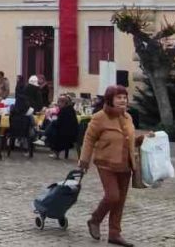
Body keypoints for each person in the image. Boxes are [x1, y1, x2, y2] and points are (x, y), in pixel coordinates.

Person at [78, 85, 153, 247]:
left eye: (124, 97)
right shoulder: (100, 117)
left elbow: (129, 140)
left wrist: (143, 139)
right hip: (106, 163)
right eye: (119, 97)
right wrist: (84, 161)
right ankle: (95, 220)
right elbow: (89, 139)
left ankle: (114, 233)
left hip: (125, 165)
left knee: (120, 201)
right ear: (110, 100)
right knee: (113, 196)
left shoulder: (128, 117)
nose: (123, 100)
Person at [47, 94, 79, 159]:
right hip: (73, 132)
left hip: (66, 133)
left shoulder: (64, 110)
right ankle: (44, 136)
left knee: (52, 130)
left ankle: (56, 153)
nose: (58, 104)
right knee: (52, 126)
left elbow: (59, 123)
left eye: (59, 102)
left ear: (64, 103)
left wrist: (53, 122)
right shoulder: (71, 109)